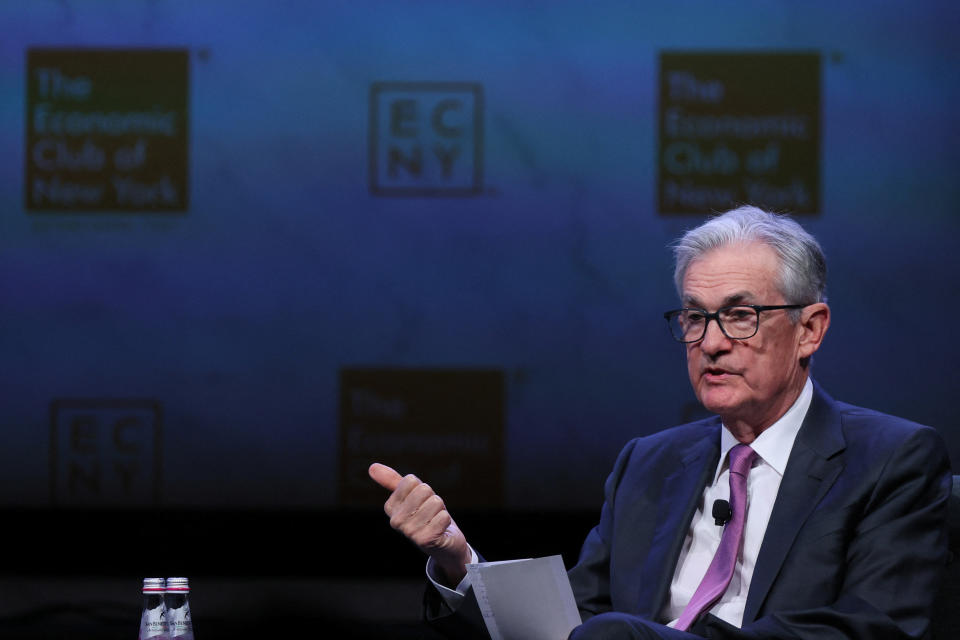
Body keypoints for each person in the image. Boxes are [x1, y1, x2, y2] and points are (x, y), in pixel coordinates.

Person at [369, 206, 951, 639]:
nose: (712, 343)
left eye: (741, 316)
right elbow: (570, 625)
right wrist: (459, 560)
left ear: (810, 329)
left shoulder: (891, 459)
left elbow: (876, 629)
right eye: (695, 317)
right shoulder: (648, 463)